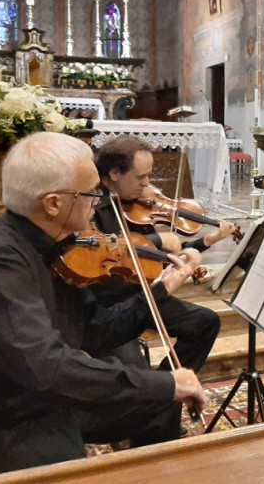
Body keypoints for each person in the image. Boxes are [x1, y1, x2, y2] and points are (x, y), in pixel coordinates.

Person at [0, 132, 207, 484]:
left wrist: (161, 290)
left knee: (158, 405)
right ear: (53, 203)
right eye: (92, 193)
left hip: (37, 404)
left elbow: (98, 330)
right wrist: (163, 384)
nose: (100, 201)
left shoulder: (56, 248)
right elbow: (47, 366)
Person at [92, 136, 236, 374]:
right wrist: (157, 239)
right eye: (140, 177)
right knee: (134, 377)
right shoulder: (92, 205)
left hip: (146, 294)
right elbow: (104, 248)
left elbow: (167, 254)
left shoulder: (134, 204)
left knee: (205, 322)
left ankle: (169, 384)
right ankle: (158, 393)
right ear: (115, 173)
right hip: (111, 306)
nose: (147, 184)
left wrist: (206, 242)